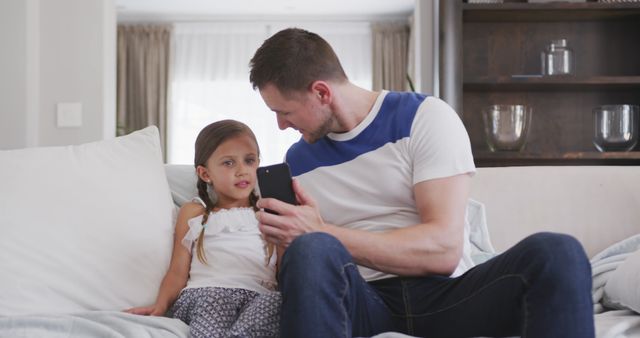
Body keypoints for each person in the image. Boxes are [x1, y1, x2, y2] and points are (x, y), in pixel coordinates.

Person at [249, 28, 594, 338]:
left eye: (285, 112)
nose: (280, 126)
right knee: (312, 249)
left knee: (557, 252)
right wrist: (288, 242)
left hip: (450, 296)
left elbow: (443, 249)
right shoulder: (298, 160)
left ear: (321, 93)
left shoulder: (423, 117)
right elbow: (307, 274)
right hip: (364, 302)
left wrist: (323, 232)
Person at [125, 120, 282, 338]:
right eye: (228, 163)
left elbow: (284, 271)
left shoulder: (270, 213)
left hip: (257, 297)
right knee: (215, 299)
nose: (242, 171)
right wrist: (160, 307)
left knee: (279, 301)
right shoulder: (195, 212)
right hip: (207, 294)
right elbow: (177, 272)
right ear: (205, 174)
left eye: (249, 160)